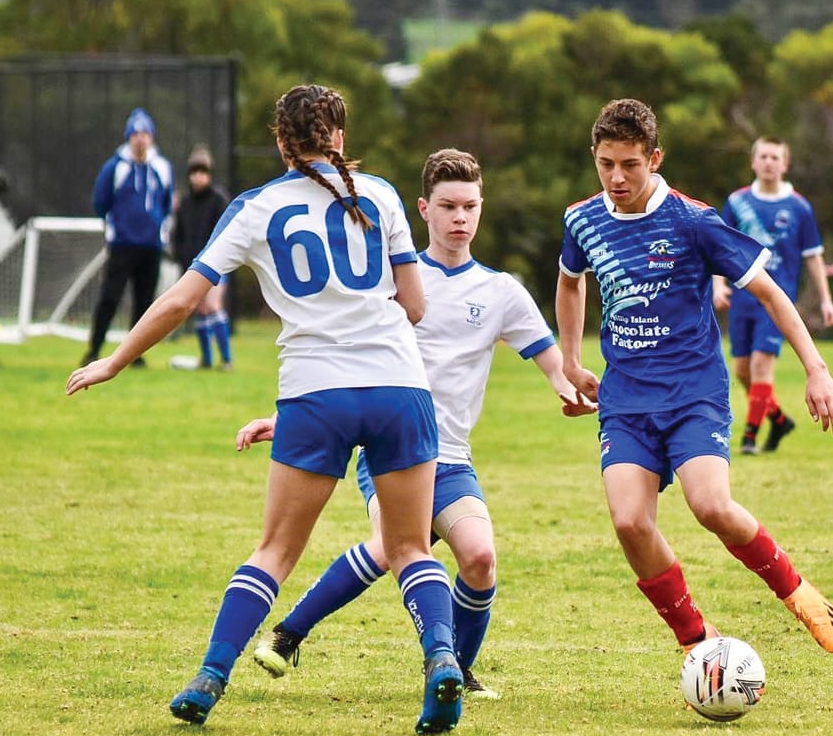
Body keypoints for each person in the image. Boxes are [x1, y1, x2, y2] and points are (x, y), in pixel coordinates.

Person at [68, 84, 465, 736]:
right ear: (339, 136)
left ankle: (210, 675)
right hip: (401, 389)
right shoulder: (386, 195)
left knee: (275, 549)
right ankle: (442, 658)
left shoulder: (256, 208)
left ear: (282, 141)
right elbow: (415, 306)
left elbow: (181, 301)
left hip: (314, 394)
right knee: (409, 545)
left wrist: (114, 360)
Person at [238, 148, 595, 698]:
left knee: (479, 557)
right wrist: (285, 418)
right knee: (392, 545)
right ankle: (290, 634)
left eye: (470, 206)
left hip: (450, 455)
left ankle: (453, 670)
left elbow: (554, 367)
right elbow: (332, 353)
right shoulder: (388, 280)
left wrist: (572, 388)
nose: (460, 217)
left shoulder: (501, 292)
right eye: (448, 205)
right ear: (423, 210)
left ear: (481, 209)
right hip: (390, 447)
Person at [555, 98, 833, 663]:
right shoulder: (582, 219)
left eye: (630, 165)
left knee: (711, 506)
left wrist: (817, 370)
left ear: (655, 158)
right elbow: (571, 283)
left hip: (693, 392)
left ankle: (797, 592)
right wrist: (571, 361)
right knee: (629, 522)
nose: (616, 178)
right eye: (605, 164)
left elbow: (768, 290)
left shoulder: (693, 220)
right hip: (625, 399)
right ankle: (697, 639)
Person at [712, 136, 833, 454]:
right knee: (741, 370)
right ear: (754, 162)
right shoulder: (737, 202)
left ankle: (750, 438)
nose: (769, 162)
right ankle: (778, 419)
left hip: (778, 301)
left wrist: (826, 298)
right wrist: (718, 285)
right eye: (763, 156)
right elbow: (716, 246)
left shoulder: (798, 206)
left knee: (760, 366)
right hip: (743, 298)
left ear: (785, 164)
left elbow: (813, 255)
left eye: (775, 157)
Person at [81, 108, 173, 368]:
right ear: (128, 137)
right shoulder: (115, 167)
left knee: (145, 303)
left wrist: (156, 227)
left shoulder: (162, 167)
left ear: (152, 137)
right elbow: (101, 202)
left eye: (145, 134)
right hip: (122, 245)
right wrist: (118, 226)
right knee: (110, 297)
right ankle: (94, 349)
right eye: (135, 134)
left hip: (151, 245)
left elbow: (165, 204)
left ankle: (135, 355)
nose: (140, 139)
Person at [171, 145, 232, 368]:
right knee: (201, 309)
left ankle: (226, 359)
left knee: (214, 304)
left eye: (203, 171)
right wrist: (181, 255)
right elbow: (178, 235)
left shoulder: (218, 200)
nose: (198, 176)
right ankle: (206, 359)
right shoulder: (185, 204)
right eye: (195, 171)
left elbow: (226, 233)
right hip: (193, 265)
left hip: (217, 265)